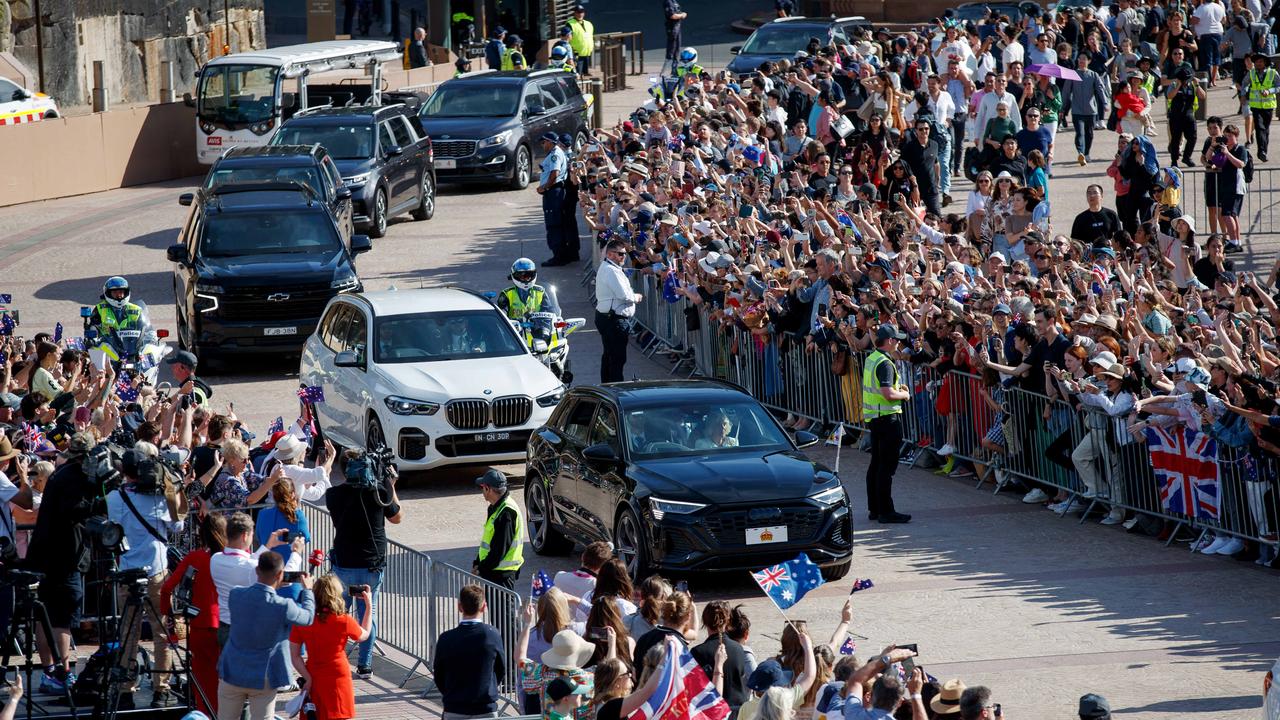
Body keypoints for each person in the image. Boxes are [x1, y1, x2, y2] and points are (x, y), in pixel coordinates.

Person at [106, 450, 183, 709]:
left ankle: (126, 690)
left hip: (128, 571)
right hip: (156, 572)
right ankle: (162, 689)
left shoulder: (115, 498)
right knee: (162, 631)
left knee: (129, 632)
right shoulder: (159, 499)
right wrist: (174, 491)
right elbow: (178, 527)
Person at [24, 432, 95, 695]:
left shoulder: (59, 474)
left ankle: (49, 673)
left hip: (45, 555)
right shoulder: (73, 478)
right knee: (62, 617)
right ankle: (63, 674)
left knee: (46, 615)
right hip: (63, 558)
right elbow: (76, 511)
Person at [324, 449, 402, 678]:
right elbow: (397, 516)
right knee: (368, 611)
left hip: (344, 566)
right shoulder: (378, 492)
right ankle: (365, 664)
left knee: (338, 613)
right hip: (371, 566)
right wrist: (391, 485)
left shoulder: (333, 495)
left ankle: (334, 656)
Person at [216, 551, 315, 720]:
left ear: (257, 570)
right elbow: (308, 617)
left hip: (232, 670)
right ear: (280, 574)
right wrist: (308, 591)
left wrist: (274, 584)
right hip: (264, 676)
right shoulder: (283, 606)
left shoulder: (236, 595)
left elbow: (255, 598)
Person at [161, 514, 227, 717]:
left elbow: (167, 589)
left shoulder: (195, 557)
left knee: (203, 685)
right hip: (227, 627)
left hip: (199, 626)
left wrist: (171, 624)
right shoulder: (232, 559)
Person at [288, 574, 371, 720]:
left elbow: (294, 655)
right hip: (338, 676)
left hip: (314, 674)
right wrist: (369, 606)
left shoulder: (303, 620)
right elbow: (364, 635)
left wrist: (307, 678)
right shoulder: (343, 620)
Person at [210, 512, 292, 646]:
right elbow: (281, 579)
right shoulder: (250, 567)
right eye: (252, 535)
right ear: (245, 536)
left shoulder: (215, 559)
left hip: (224, 627)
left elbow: (244, 564)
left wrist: (267, 546)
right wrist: (296, 553)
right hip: (246, 630)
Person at [432, 584, 506, 719]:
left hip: (455, 707)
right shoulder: (492, 635)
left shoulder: (446, 638)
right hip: (485, 707)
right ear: (484, 606)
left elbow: (439, 674)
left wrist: (451, 693)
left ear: (459, 606)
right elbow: (500, 669)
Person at [863, 325, 912, 524]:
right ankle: (886, 511)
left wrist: (895, 388)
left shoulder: (872, 357)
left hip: (875, 418)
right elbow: (888, 394)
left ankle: (874, 509)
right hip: (887, 419)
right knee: (886, 467)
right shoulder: (884, 362)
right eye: (897, 339)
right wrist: (905, 394)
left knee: (876, 464)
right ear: (889, 341)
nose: (899, 342)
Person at [594, 239, 642, 383]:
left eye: (624, 254)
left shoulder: (610, 268)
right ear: (610, 254)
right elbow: (624, 295)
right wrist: (636, 297)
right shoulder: (611, 271)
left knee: (610, 356)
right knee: (616, 358)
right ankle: (615, 389)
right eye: (620, 254)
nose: (623, 257)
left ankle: (608, 386)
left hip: (609, 317)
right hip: (613, 319)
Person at [472, 468, 523, 589]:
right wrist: (478, 562)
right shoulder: (495, 507)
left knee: (502, 608)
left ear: (488, 489)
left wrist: (481, 568)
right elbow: (489, 541)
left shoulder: (507, 513)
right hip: (493, 572)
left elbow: (499, 550)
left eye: (482, 487)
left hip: (501, 576)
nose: (482, 491)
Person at [1065, 51, 1109, 164]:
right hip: (1077, 110)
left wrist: (1105, 103)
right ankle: (1080, 152)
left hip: (1091, 111)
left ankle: (1087, 153)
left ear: (1088, 61)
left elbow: (1100, 89)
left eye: (1084, 58)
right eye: (1079, 58)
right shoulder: (1072, 75)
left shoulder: (1093, 75)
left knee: (1089, 134)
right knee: (1080, 133)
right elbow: (1066, 92)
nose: (1081, 61)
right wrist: (1062, 108)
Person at [537, 133, 573, 267]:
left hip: (553, 192)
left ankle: (559, 256)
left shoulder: (555, 154)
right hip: (555, 192)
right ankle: (562, 255)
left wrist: (545, 187)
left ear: (549, 142)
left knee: (554, 225)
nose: (542, 145)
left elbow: (554, 173)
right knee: (558, 224)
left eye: (543, 142)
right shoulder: (556, 152)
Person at [499, 258, 562, 323]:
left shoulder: (541, 291)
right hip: (515, 330)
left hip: (538, 328)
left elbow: (549, 311)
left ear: (534, 275)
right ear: (515, 276)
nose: (526, 279)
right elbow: (501, 315)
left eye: (529, 276)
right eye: (522, 277)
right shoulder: (506, 293)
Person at [88, 275, 146, 340]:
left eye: (121, 292)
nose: (118, 295)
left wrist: (151, 336)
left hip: (132, 346)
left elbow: (145, 328)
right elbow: (93, 326)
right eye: (115, 292)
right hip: (107, 346)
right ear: (108, 293)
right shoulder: (100, 308)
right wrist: (93, 335)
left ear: (126, 293)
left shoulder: (136, 310)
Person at [1246, 52, 1278, 161]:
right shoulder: (1251, 73)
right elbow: (1244, 83)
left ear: (1265, 63)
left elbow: (1278, 87)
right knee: (1260, 128)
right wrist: (1243, 94)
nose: (1258, 64)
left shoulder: (1273, 73)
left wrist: (1269, 91)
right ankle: (1261, 151)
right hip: (1256, 106)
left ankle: (1264, 151)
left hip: (1269, 106)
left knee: (1265, 129)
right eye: (1256, 62)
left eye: (1260, 61)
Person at [567, 5, 594, 76]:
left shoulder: (588, 24)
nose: (580, 14)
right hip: (576, 53)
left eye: (581, 12)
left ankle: (585, 74)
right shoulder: (570, 24)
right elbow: (567, 37)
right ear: (574, 13)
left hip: (586, 51)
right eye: (578, 12)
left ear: (584, 13)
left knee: (585, 73)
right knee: (577, 74)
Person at [664, 0, 687, 70]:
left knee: (677, 48)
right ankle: (667, 67)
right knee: (672, 48)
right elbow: (672, 16)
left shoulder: (674, 2)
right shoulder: (668, 2)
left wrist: (682, 14)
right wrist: (682, 15)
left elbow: (677, 12)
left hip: (677, 26)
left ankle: (675, 67)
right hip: (672, 27)